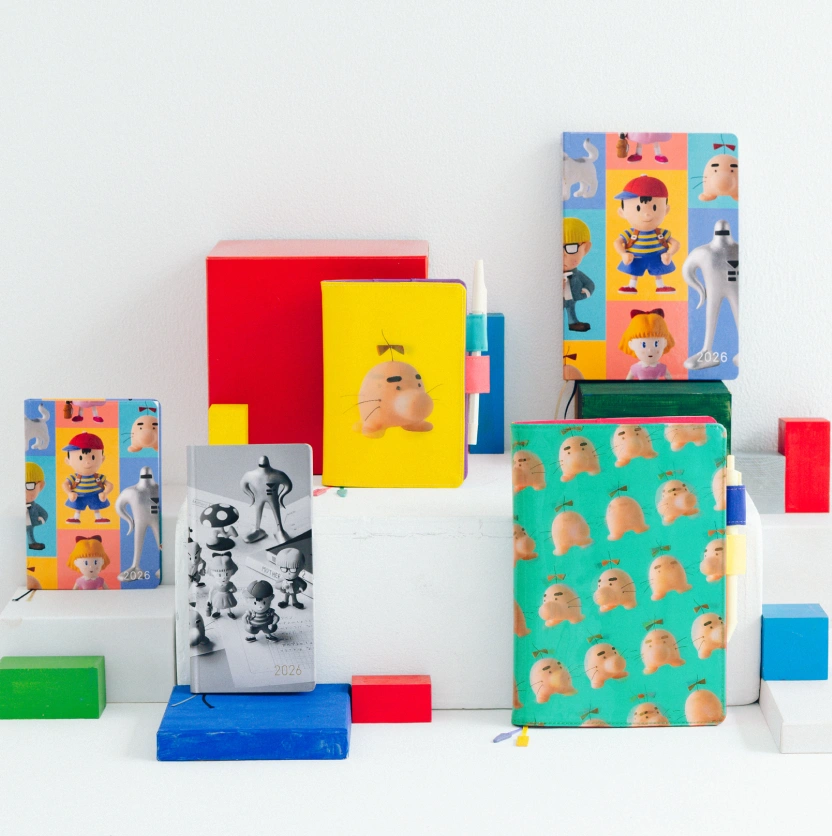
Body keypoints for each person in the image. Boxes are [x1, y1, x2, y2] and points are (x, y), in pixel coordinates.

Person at [613, 175, 680, 294]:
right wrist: (623, 254)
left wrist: (669, 254)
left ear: (666, 210)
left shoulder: (661, 233)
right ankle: (631, 286)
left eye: (654, 207)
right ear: (622, 212)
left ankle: (660, 286)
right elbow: (617, 242)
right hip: (636, 258)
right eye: (638, 208)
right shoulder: (630, 233)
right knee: (634, 272)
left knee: (658, 272)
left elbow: (675, 243)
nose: (647, 214)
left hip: (657, 257)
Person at [62, 432, 113, 524]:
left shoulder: (99, 477)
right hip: (79, 496)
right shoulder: (74, 477)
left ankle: (98, 518)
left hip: (95, 495)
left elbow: (110, 485)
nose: (87, 462)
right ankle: (76, 517)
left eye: (93, 457)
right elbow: (65, 484)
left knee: (96, 506)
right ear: (68, 461)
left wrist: (105, 493)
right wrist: (69, 493)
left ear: (102, 459)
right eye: (80, 458)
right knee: (78, 507)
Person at [619, 309, 675, 381]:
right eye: (643, 345)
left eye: (656, 344)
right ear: (631, 345)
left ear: (664, 343)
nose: (650, 350)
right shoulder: (635, 368)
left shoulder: (661, 367)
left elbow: (669, 379)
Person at [562, 218, 595, 332]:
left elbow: (589, 284)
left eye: (570, 247)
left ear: (585, 248)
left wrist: (585, 291)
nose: (562, 255)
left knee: (570, 308)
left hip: (571, 297)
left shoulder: (578, 275)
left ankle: (573, 322)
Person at [25, 461, 49, 551]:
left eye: (29, 485)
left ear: (41, 486)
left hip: (29, 522)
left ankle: (31, 542)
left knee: (29, 531)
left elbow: (44, 514)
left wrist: (40, 520)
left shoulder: (35, 506)